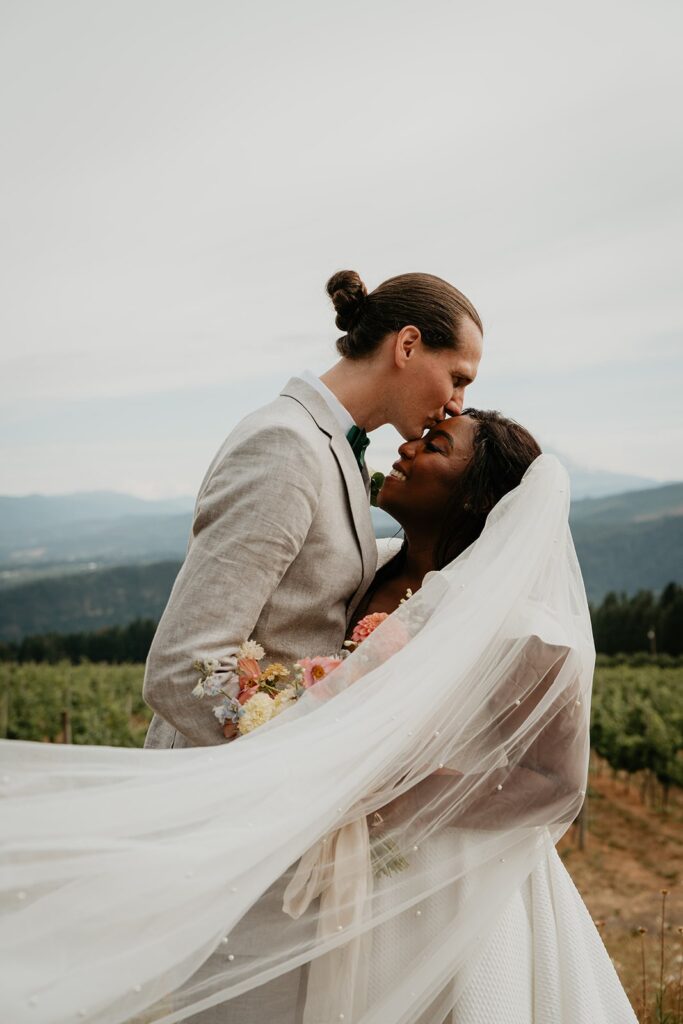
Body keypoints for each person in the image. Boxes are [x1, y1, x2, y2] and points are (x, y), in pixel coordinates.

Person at [0, 413, 638, 1024]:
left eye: (436, 446)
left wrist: (379, 795)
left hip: (452, 891)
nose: (406, 449)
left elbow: (558, 784)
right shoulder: (366, 569)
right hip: (341, 878)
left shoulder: (519, 622)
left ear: (476, 500)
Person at [143, 268, 483, 751]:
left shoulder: (338, 451)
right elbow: (182, 669)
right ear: (407, 345)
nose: (457, 404)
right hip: (225, 795)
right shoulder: (286, 444)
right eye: (458, 377)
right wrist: (299, 763)